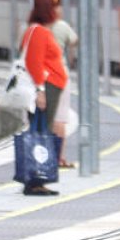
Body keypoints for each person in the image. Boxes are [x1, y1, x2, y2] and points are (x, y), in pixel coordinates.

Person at [20, 0, 68, 195]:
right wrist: (40, 91)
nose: (60, 10)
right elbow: (34, 62)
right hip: (46, 88)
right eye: (56, 6)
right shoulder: (39, 32)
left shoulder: (36, 30)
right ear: (49, 9)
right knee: (41, 134)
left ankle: (36, 180)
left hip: (50, 87)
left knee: (41, 132)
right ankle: (34, 181)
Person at [49, 17, 78, 169]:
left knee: (42, 119)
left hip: (40, 76)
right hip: (59, 74)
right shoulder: (61, 25)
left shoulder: (34, 27)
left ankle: (42, 156)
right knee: (59, 119)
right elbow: (74, 41)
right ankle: (58, 158)